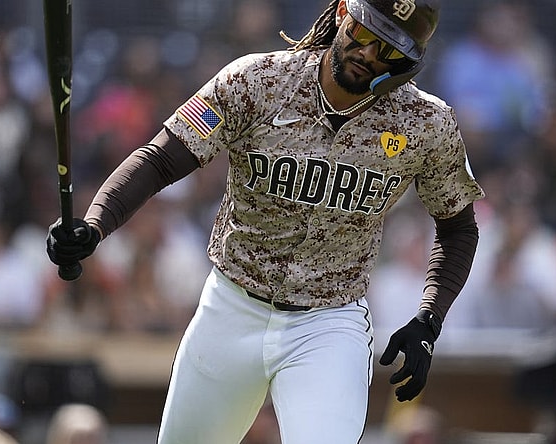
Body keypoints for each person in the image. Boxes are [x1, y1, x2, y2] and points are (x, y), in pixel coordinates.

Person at [46, 0, 484, 442]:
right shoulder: (257, 81)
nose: (369, 54)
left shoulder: (427, 123)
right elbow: (161, 159)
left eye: (388, 49)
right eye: (364, 33)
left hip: (328, 322)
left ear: (408, 62)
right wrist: (96, 225)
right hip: (232, 306)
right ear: (339, 15)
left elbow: (458, 227)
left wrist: (429, 318)